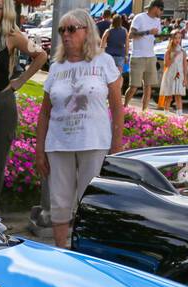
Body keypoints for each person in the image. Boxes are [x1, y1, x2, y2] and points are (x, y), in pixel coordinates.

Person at [35, 7, 124, 249]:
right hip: (59, 143)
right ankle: (61, 249)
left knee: (91, 200)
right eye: (62, 29)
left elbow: (117, 106)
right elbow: (45, 112)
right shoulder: (56, 67)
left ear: (87, 31)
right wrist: (39, 150)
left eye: (72, 29)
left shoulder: (104, 62)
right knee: (60, 202)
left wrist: (117, 144)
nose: (66, 34)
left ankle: (88, 251)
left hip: (94, 142)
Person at [0, 0, 48, 219]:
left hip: (4, 101)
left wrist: (20, 81)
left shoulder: (12, 36)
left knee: (0, 161)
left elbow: (41, 56)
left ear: (4, 11)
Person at [126, 1, 163, 112]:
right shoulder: (139, 17)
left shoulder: (157, 21)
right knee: (134, 87)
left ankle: (144, 112)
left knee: (148, 87)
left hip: (151, 56)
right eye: (161, 10)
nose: (162, 13)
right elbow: (130, 35)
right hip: (138, 56)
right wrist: (147, 32)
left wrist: (158, 38)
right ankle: (124, 108)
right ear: (155, 8)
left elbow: (156, 37)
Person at [158, 27, 186, 113]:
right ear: (172, 39)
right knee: (169, 96)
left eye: (179, 38)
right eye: (175, 38)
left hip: (179, 74)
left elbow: (185, 65)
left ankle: (180, 114)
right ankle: (166, 113)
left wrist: (185, 78)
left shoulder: (183, 51)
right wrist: (174, 56)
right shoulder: (168, 51)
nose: (178, 40)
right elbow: (166, 64)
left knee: (178, 95)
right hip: (170, 74)